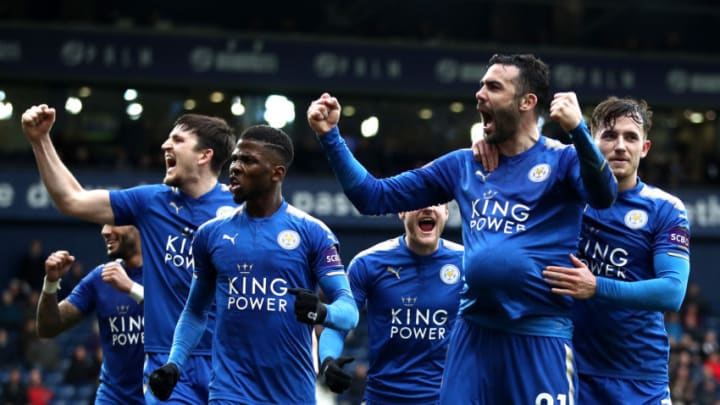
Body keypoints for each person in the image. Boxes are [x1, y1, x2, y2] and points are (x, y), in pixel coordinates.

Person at [307, 53, 617, 404]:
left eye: (494, 87)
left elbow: (604, 195)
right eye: (481, 85)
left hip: (537, 337)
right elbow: (372, 197)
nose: (479, 94)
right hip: (473, 338)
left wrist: (578, 131)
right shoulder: (464, 165)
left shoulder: (563, 160)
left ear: (527, 102)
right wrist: (330, 137)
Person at [21, 105, 237, 404]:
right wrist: (40, 140)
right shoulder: (151, 202)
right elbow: (72, 200)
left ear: (204, 155)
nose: (165, 145)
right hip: (168, 361)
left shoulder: (241, 210)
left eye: (177, 140)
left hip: (227, 361)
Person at [147, 125, 359, 404]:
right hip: (229, 391)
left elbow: (349, 310)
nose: (234, 167)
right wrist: (174, 363)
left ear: (276, 173)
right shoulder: (210, 235)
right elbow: (195, 311)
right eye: (234, 159)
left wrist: (322, 312)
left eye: (247, 160)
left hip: (292, 393)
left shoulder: (313, 233)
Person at [539, 97, 691, 404]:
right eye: (609, 136)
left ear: (644, 148)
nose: (620, 145)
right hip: (569, 371)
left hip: (640, 377)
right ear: (591, 144)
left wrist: (595, 286)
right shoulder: (566, 198)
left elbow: (672, 292)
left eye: (630, 137)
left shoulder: (667, 209)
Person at [319, 204, 464, 404]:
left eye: (437, 202)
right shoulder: (368, 263)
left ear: (447, 212)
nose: (428, 208)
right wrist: (328, 360)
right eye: (420, 200)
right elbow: (339, 323)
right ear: (402, 211)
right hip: (381, 399)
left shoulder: (467, 263)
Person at [36, 224, 145, 404]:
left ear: (139, 224)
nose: (105, 231)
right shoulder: (100, 278)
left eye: (114, 222)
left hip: (163, 396)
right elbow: (48, 328)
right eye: (104, 224)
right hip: (114, 398)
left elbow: (183, 318)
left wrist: (132, 288)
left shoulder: (168, 272)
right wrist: (50, 283)